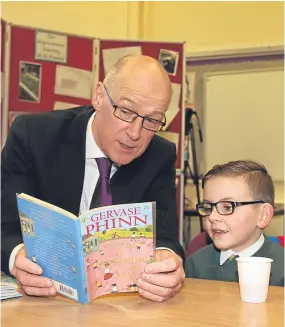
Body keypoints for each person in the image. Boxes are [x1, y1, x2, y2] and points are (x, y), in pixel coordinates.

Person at [1, 55, 185, 302]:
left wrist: (167, 260)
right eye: (126, 111)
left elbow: (163, 235)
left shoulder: (158, 155)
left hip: (117, 306)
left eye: (151, 120)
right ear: (99, 96)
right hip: (44, 301)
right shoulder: (34, 136)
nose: (135, 133)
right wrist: (18, 258)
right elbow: (4, 223)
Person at [185, 160, 284, 286]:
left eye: (227, 207)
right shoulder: (195, 264)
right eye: (208, 207)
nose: (212, 216)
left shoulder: (281, 268)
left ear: (263, 215)